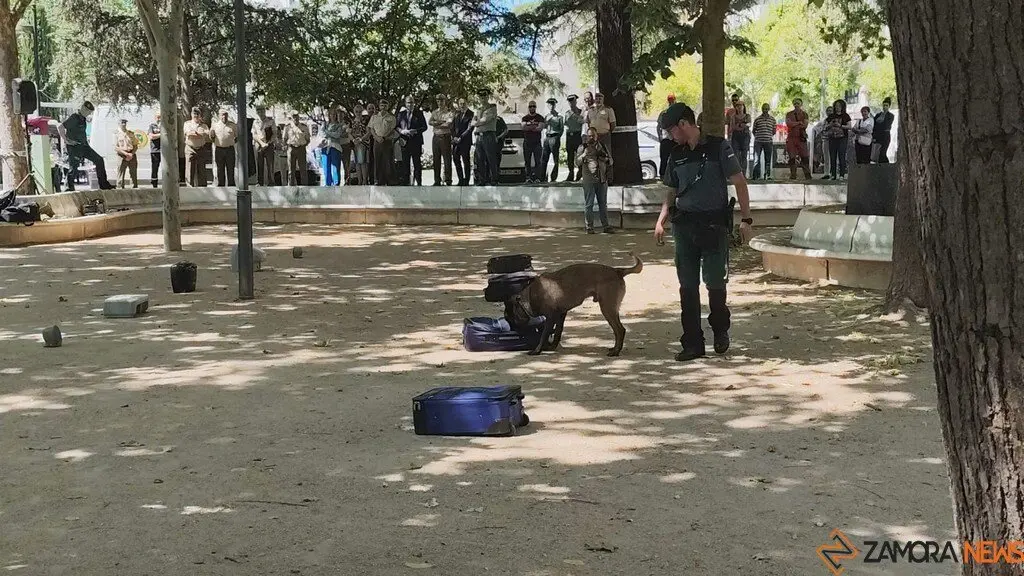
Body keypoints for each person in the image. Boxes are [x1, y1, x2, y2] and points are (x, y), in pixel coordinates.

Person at [654, 103, 753, 362]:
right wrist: (661, 219)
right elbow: (672, 191)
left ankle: (720, 329)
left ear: (684, 124)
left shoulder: (719, 147)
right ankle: (692, 343)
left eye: (671, 130)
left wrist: (746, 219)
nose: (670, 135)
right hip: (684, 227)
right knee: (687, 286)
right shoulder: (676, 155)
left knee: (715, 283)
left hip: (713, 226)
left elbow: (739, 182)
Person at [576, 127, 613, 234]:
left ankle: (606, 226)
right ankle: (589, 227)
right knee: (589, 204)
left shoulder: (603, 146)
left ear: (597, 136)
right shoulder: (582, 147)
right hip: (589, 180)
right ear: (586, 136)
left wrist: (604, 158)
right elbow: (577, 162)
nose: (591, 137)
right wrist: (584, 155)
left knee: (603, 204)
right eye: (589, 135)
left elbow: (611, 161)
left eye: (593, 135)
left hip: (602, 179)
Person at [397, 95, 428, 185]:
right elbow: (396, 127)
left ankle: (419, 183)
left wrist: (415, 131)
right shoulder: (401, 114)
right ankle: (406, 183)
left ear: (414, 103)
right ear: (405, 103)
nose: (410, 104)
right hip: (404, 142)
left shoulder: (419, 113)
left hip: (416, 141)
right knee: (405, 164)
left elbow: (424, 127)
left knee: (417, 164)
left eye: (412, 102)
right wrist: (402, 131)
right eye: (408, 102)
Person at [585, 93, 616, 181]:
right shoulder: (591, 110)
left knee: (607, 156)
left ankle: (609, 179)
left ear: (603, 99)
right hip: (594, 137)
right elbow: (588, 122)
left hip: (604, 136)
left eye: (600, 98)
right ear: (594, 99)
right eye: (597, 98)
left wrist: (607, 132)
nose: (598, 100)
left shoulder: (608, 110)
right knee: (594, 157)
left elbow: (613, 124)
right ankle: (596, 177)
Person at [472, 90, 499, 185]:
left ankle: (494, 179)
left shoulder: (492, 108)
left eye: (484, 96)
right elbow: (472, 122)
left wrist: (477, 123)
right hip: (479, 136)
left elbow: (485, 120)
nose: (483, 98)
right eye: (481, 97)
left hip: (488, 135)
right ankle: (482, 179)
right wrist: (477, 123)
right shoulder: (478, 109)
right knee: (480, 159)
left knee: (491, 158)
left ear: (488, 97)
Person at [369, 99, 397, 186]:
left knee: (388, 161)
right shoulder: (374, 117)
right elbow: (371, 129)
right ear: (379, 106)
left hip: (387, 141)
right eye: (382, 105)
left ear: (387, 107)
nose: (383, 107)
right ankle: (379, 180)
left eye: (385, 106)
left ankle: (390, 180)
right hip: (377, 141)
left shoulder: (391, 117)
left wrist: (384, 137)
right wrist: (377, 137)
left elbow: (392, 130)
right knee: (378, 161)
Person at [429, 95, 455, 186]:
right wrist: (441, 122)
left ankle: (448, 180)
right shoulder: (434, 112)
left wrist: (436, 124)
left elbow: (448, 124)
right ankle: (437, 180)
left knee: (447, 159)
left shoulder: (449, 112)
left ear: (445, 101)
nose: (440, 103)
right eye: (438, 101)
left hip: (445, 137)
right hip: (436, 137)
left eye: (442, 101)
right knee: (436, 160)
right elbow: (430, 122)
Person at [183, 107, 211, 187]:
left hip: (201, 148)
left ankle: (203, 188)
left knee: (202, 169)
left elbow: (206, 135)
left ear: (200, 115)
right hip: (190, 148)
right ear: (191, 115)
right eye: (194, 114)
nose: (196, 115)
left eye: (197, 114)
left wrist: (196, 134)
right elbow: (188, 134)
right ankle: (189, 187)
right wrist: (199, 134)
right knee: (189, 170)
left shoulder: (204, 125)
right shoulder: (187, 124)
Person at [785, 99, 812, 180]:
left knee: (804, 157)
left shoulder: (805, 114)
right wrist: (798, 123)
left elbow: (805, 125)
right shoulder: (789, 114)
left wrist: (795, 124)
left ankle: (807, 174)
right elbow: (788, 124)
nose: (796, 104)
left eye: (798, 103)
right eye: (795, 103)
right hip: (791, 138)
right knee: (792, 157)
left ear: (801, 104)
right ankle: (793, 174)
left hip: (801, 137)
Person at [211, 109, 238, 187]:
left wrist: (230, 143)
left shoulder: (232, 125)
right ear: (219, 116)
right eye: (222, 114)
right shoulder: (215, 125)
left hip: (230, 150)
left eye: (225, 114)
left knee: (231, 168)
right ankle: (221, 185)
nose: (224, 116)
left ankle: (231, 185)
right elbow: (212, 137)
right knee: (220, 169)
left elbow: (237, 137)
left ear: (227, 115)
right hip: (219, 149)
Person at [824, 100, 851, 180]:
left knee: (841, 156)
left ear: (842, 106)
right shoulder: (831, 116)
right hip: (832, 138)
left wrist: (840, 125)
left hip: (842, 138)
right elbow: (825, 126)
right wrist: (831, 124)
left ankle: (842, 174)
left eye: (839, 106)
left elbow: (849, 126)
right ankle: (833, 174)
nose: (837, 107)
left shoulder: (846, 116)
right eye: (836, 106)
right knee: (832, 156)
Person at [282, 111, 311, 185]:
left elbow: (308, 139)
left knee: (303, 170)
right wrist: (286, 146)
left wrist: (303, 145)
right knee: (291, 170)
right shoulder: (287, 127)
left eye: (296, 116)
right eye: (293, 116)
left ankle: (305, 188)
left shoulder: (304, 127)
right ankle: (291, 187)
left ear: (299, 117)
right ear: (291, 117)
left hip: (301, 148)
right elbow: (284, 139)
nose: (295, 118)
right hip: (291, 148)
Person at [252, 106, 278, 186]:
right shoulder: (255, 122)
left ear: (264, 111)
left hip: (269, 145)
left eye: (262, 111)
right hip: (258, 144)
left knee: (270, 164)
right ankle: (259, 182)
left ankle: (271, 182)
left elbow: (274, 133)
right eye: (258, 111)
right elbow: (254, 134)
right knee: (259, 164)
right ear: (257, 112)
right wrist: (261, 143)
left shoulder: (271, 121)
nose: (260, 113)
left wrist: (268, 143)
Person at [320, 107, 345, 186]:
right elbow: (321, 134)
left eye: (335, 114)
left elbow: (337, 135)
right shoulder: (325, 124)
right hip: (325, 147)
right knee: (326, 167)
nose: (333, 116)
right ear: (329, 115)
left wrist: (327, 132)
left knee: (335, 167)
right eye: (331, 114)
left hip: (335, 147)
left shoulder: (339, 125)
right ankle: (328, 184)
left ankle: (336, 184)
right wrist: (329, 133)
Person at [751, 103, 777, 180]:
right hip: (758, 142)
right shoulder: (757, 119)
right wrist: (758, 136)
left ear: (768, 109)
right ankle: (756, 176)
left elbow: (774, 131)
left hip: (768, 142)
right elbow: (753, 130)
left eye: (766, 109)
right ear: (762, 109)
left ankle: (767, 175)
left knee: (768, 159)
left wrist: (768, 136)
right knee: (756, 159)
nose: (765, 110)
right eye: (764, 109)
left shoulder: (772, 120)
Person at [521, 101, 545, 183]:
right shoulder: (525, 118)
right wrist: (534, 126)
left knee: (538, 161)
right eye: (530, 106)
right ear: (528, 107)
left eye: (533, 106)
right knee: (527, 161)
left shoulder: (540, 117)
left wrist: (530, 127)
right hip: (527, 142)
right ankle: (528, 177)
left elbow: (540, 128)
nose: (532, 108)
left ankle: (537, 178)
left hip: (537, 143)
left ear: (536, 107)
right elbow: (523, 127)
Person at [726, 97, 751, 176]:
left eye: (741, 105)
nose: (739, 107)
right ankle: (738, 174)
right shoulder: (733, 116)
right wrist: (741, 125)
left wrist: (740, 125)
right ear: (736, 107)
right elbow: (732, 127)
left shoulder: (747, 116)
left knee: (744, 155)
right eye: (738, 106)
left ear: (744, 106)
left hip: (745, 136)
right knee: (736, 156)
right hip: (736, 136)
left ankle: (743, 174)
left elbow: (749, 124)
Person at [452, 99, 474, 186]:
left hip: (465, 141)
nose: (462, 105)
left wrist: (461, 137)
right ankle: (460, 179)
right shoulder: (457, 114)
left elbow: (470, 129)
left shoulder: (471, 114)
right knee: (456, 160)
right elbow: (452, 127)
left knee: (466, 161)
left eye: (464, 103)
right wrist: (454, 137)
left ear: (467, 104)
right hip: (456, 141)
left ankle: (467, 180)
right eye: (460, 104)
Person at [541, 98, 564, 182]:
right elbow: (544, 127)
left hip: (554, 136)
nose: (551, 106)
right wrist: (547, 121)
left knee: (555, 159)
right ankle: (542, 177)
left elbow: (561, 129)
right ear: (548, 105)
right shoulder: (547, 116)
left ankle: (553, 177)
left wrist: (557, 137)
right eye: (549, 104)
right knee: (544, 158)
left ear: (555, 105)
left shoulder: (559, 116)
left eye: (553, 104)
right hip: (547, 137)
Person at [563, 94, 584, 181]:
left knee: (579, 155)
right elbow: (565, 124)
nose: (571, 102)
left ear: (576, 101)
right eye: (570, 101)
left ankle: (580, 173)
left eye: (573, 100)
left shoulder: (580, 111)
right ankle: (570, 173)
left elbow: (582, 121)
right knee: (570, 156)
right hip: (569, 135)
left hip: (578, 135)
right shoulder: (567, 113)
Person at [656, 94, 677, 178]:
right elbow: (658, 126)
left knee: (674, 158)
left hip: (674, 139)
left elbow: (658, 127)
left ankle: (670, 175)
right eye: (670, 100)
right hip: (667, 139)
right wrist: (660, 137)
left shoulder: (676, 112)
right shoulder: (664, 112)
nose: (671, 101)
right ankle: (663, 175)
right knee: (664, 159)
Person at [114, 119, 139, 188]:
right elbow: (116, 147)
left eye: (125, 123)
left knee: (133, 173)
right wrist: (126, 154)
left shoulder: (130, 133)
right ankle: (120, 190)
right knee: (121, 174)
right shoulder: (116, 133)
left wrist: (131, 154)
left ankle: (134, 188)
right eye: (122, 123)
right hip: (122, 155)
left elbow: (135, 145)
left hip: (131, 154)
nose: (124, 124)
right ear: (119, 124)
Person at [348, 104, 369, 185]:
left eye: (360, 111)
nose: (358, 113)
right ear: (354, 112)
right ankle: (359, 180)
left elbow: (369, 132)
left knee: (363, 162)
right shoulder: (351, 121)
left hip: (363, 143)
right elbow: (349, 133)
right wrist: (353, 140)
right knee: (357, 162)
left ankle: (364, 180)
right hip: (355, 144)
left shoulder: (365, 120)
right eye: (356, 111)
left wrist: (361, 139)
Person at [872, 97, 895, 163]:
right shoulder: (878, 115)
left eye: (886, 105)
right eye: (884, 105)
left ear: (889, 106)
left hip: (886, 135)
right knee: (878, 153)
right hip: (878, 136)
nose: (885, 107)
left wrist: (883, 116)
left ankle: (886, 166)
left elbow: (887, 124)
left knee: (883, 152)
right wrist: (874, 136)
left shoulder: (891, 115)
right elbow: (875, 126)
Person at [147, 113, 161, 187]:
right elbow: (151, 136)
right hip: (155, 150)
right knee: (155, 168)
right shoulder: (152, 126)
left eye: (160, 117)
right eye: (158, 117)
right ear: (155, 117)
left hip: (164, 151)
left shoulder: (164, 126)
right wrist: (161, 135)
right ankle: (154, 184)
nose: (159, 119)